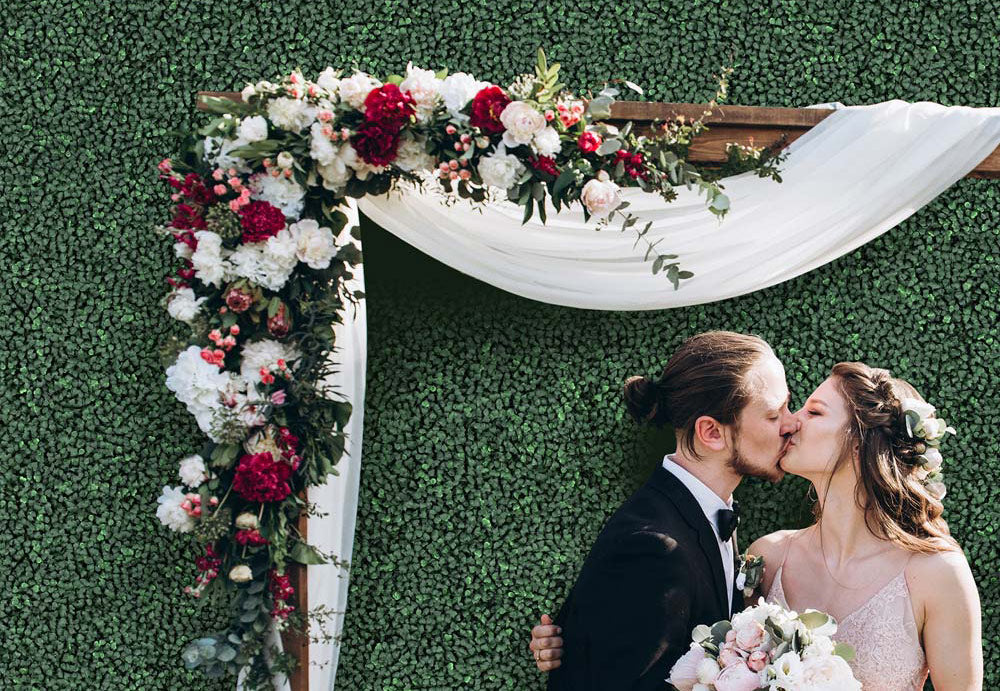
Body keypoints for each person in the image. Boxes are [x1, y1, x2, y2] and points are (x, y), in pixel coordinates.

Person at [531, 361, 984, 690]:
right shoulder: (768, 557)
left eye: (813, 411)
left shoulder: (936, 574)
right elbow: (693, 650)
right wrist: (570, 638)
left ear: (860, 437)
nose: (791, 424)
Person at [532, 331, 799, 690]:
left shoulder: (704, 513)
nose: (792, 423)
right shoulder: (652, 549)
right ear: (712, 433)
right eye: (773, 414)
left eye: (787, 406)